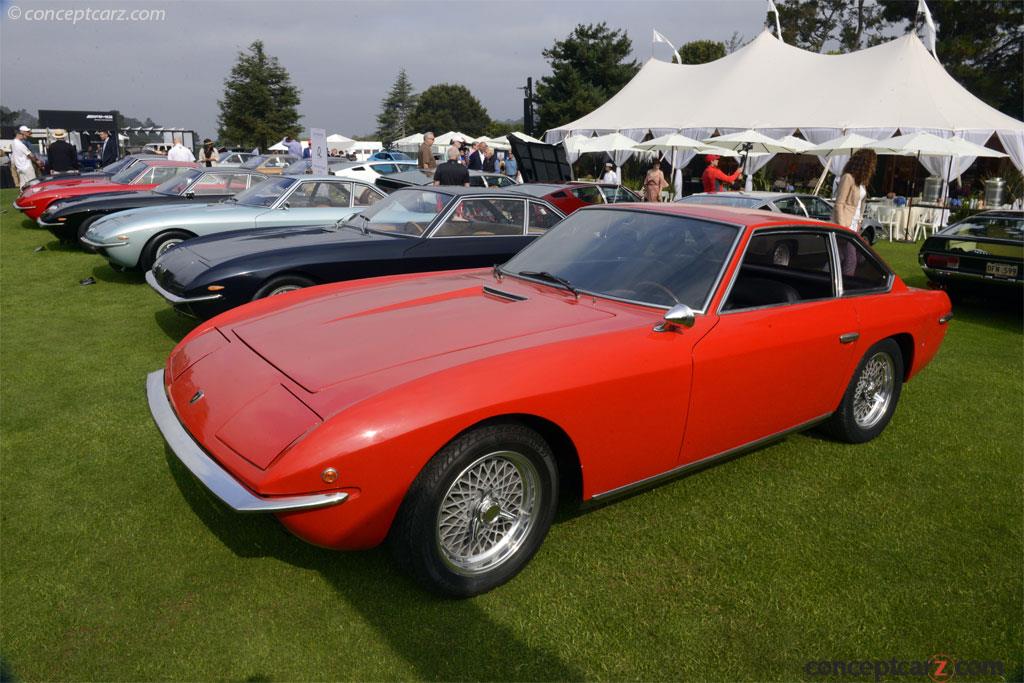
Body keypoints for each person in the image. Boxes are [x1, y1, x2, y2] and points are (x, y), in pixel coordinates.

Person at [832, 149, 877, 274]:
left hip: (854, 225)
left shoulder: (861, 182)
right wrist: (843, 227)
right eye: (871, 164)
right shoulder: (848, 178)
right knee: (851, 260)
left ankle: (824, 281)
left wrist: (859, 222)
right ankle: (846, 288)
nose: (872, 168)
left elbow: (860, 204)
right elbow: (839, 203)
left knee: (839, 258)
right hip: (845, 225)